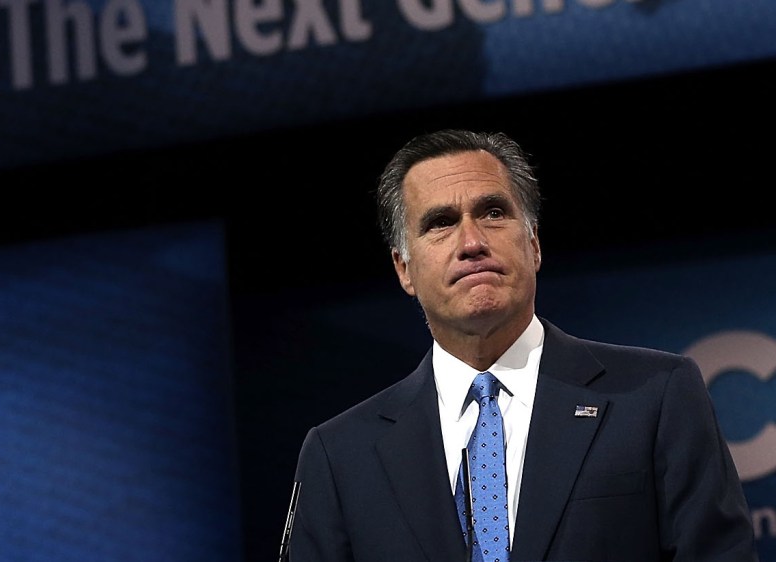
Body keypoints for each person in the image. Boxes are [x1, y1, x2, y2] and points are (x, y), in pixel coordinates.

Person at [287, 129, 758, 561]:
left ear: (533, 242)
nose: (471, 242)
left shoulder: (655, 396)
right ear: (404, 269)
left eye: (493, 212)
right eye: (440, 223)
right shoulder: (340, 454)